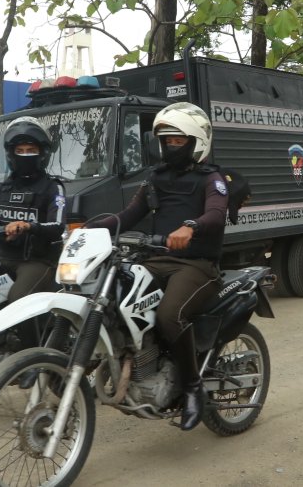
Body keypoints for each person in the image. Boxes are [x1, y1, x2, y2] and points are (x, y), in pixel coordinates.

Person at [90, 102, 228, 431]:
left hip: (196, 265)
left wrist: (191, 226)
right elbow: (128, 216)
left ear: (197, 142)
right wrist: (91, 228)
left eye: (178, 141)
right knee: (112, 301)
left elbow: (217, 213)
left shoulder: (212, 179)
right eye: (166, 141)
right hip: (154, 260)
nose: (171, 147)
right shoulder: (156, 178)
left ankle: (193, 388)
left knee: (169, 315)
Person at [0, 116, 67, 346]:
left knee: (17, 300)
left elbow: (58, 227)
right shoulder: (5, 188)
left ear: (42, 153)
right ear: (11, 154)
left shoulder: (54, 187)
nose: (24, 155)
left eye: (30, 150)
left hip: (38, 261)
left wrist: (28, 226)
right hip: (4, 256)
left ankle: (32, 356)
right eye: (20, 150)